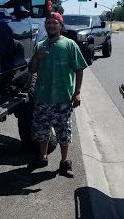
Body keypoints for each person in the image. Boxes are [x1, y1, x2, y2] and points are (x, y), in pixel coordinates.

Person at [27, 12, 88, 178]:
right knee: (41, 131)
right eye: (48, 23)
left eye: (55, 23)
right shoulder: (40, 45)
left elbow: (79, 69)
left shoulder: (70, 45)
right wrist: (36, 57)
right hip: (42, 97)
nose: (51, 25)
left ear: (61, 26)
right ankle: (42, 157)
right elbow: (31, 70)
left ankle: (64, 162)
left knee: (63, 132)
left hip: (62, 98)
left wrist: (77, 93)